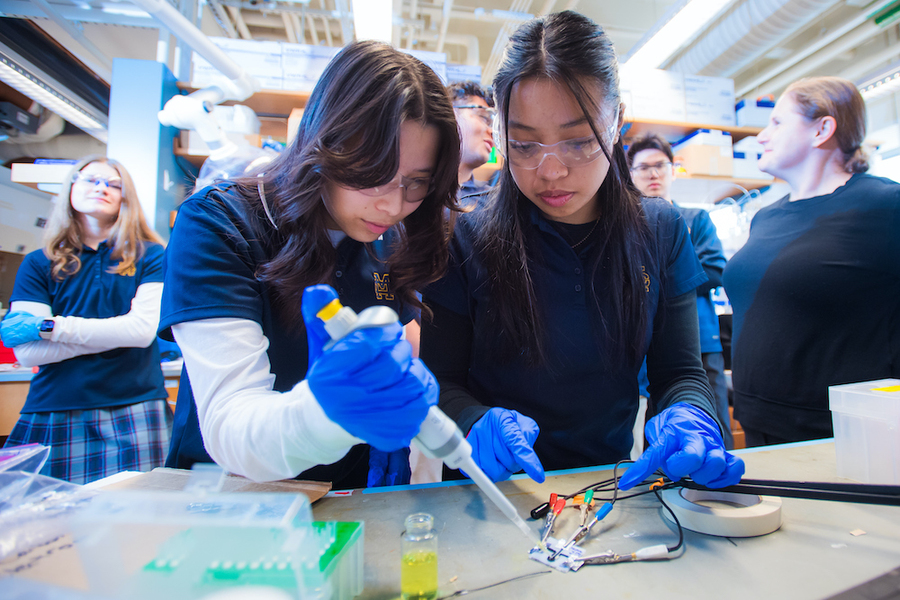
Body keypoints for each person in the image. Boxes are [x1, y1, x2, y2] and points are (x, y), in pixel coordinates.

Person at [420, 11, 743, 491]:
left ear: (616, 123)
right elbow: (439, 381)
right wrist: (473, 420)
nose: (551, 172)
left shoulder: (660, 229)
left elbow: (679, 371)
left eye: (577, 141)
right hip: (489, 492)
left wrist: (690, 414)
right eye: (524, 145)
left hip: (606, 483)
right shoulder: (466, 233)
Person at [158, 41, 461, 488]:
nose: (393, 204)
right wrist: (324, 415)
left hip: (351, 497)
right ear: (326, 143)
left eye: (416, 184)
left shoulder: (390, 240)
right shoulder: (221, 222)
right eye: (374, 174)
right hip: (232, 502)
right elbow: (230, 425)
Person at [723, 76, 900, 447]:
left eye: (777, 122)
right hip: (758, 421)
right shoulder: (766, 217)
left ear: (822, 129)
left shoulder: (883, 206)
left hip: (838, 432)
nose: (761, 136)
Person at [0, 156, 170, 485]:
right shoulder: (38, 263)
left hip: (134, 405)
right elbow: (28, 354)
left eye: (113, 184)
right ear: (71, 189)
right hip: (53, 405)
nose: (102, 188)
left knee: (137, 520)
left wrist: (49, 329)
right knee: (49, 525)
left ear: (125, 197)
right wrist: (113, 334)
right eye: (91, 180)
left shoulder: (152, 256)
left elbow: (140, 332)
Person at [627, 133, 732, 450]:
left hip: (701, 338)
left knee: (710, 423)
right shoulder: (627, 225)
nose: (653, 174)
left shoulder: (695, 219)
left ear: (674, 170)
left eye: (660, 165)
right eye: (643, 167)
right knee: (654, 427)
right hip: (643, 341)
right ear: (630, 174)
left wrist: (661, 278)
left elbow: (715, 270)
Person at [447, 81, 496, 203]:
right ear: (451, 114)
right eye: (483, 117)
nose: (492, 132)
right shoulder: (413, 193)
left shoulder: (491, 204)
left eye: (493, 125)